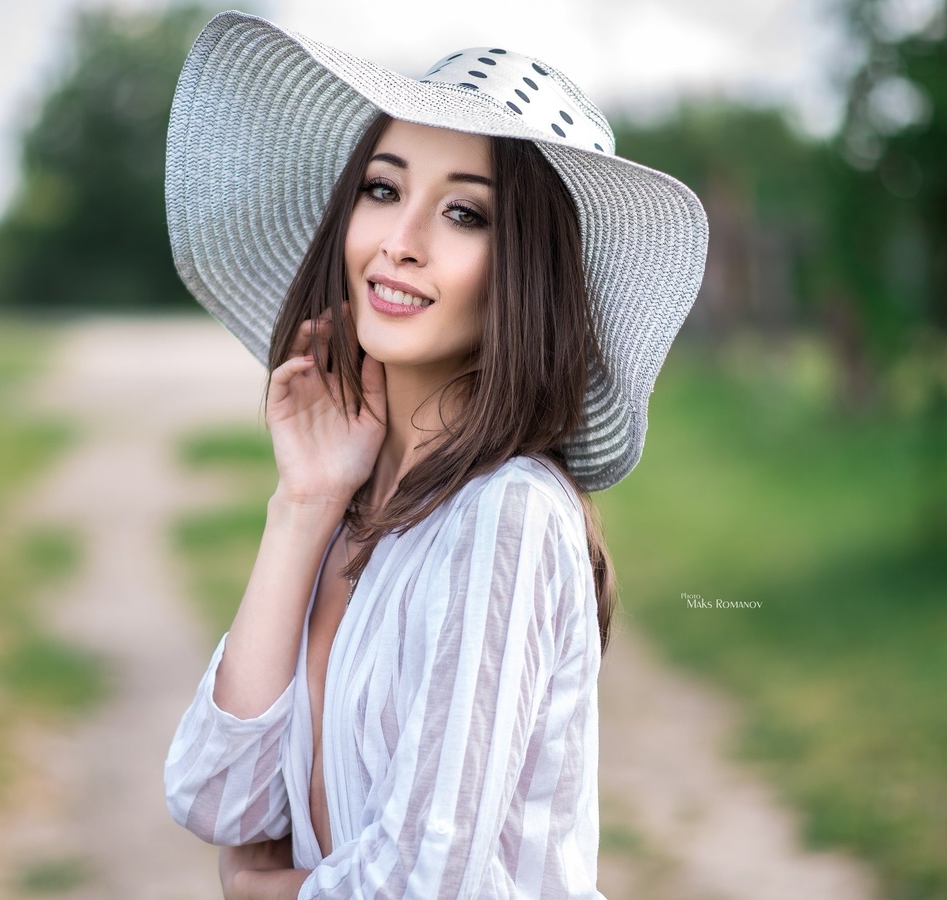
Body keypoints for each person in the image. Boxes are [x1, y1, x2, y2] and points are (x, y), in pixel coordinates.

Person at [162, 11, 707, 899]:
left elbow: (424, 885)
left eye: (462, 212)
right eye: (382, 189)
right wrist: (303, 504)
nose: (399, 241)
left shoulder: (508, 515)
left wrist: (267, 893)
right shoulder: (348, 511)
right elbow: (215, 796)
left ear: (524, 268)